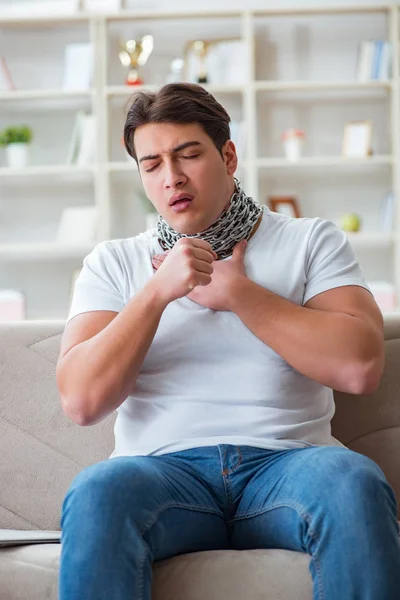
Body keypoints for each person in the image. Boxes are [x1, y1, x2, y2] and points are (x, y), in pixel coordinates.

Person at [57, 83, 400, 600]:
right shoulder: (115, 263)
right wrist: (155, 294)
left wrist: (240, 295)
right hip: (162, 472)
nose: (171, 177)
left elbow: (360, 366)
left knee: (353, 481)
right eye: (151, 165)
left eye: (188, 155)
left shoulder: (311, 241)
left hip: (288, 464)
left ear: (228, 154)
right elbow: (81, 401)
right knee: (96, 492)